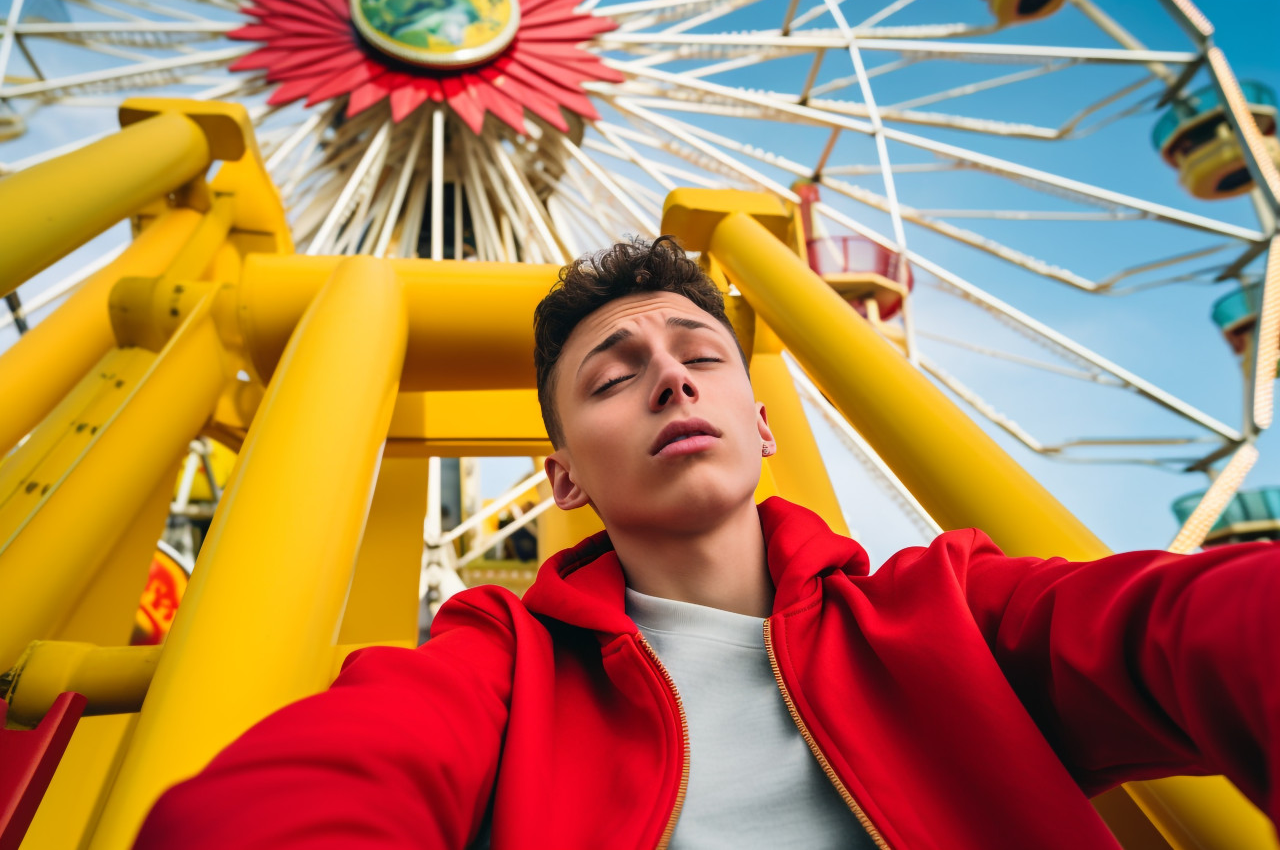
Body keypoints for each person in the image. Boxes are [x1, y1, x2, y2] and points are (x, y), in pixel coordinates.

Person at [136, 237, 1279, 849]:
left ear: (760, 420)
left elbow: (1179, 630)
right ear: (564, 478)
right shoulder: (498, 667)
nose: (668, 373)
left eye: (698, 353)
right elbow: (316, 784)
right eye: (610, 375)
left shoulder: (951, 614)